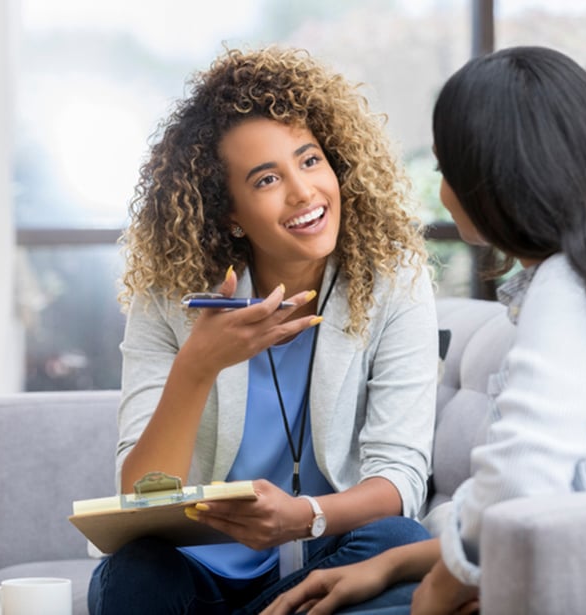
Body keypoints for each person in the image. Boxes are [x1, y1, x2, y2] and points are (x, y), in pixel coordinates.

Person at [262, 45, 586, 615]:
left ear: (495, 180)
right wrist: (393, 564)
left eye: (445, 170)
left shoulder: (569, 289)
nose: (442, 189)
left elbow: (517, 483)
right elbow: (561, 500)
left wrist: (438, 589)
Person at [87, 46, 440, 614]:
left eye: (309, 161)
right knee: (132, 576)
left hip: (325, 562)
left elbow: (400, 480)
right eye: (267, 178)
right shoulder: (171, 296)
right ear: (228, 212)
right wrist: (198, 366)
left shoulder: (394, 281)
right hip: (198, 574)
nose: (303, 192)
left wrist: (305, 517)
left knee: (400, 542)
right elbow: (137, 499)